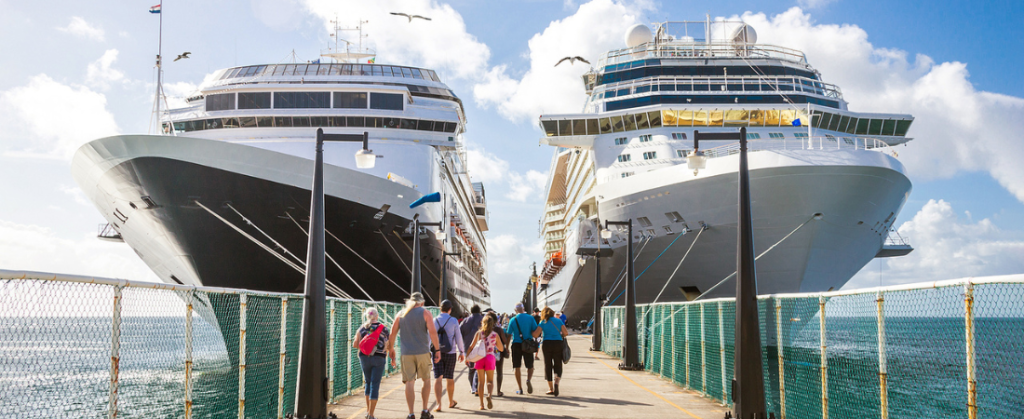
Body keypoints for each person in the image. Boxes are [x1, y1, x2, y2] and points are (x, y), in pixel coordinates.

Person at [386, 292, 442, 419]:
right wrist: (437, 350)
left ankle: (411, 413)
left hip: (406, 353)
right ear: (421, 302)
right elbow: (433, 333)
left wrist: (391, 349)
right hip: (423, 352)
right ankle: (424, 410)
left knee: (409, 383)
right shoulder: (425, 313)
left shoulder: (401, 314)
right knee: (426, 380)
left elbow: (393, 333)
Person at [352, 307, 394, 419]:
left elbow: (355, 344)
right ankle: (371, 414)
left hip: (364, 358)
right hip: (379, 358)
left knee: (368, 382)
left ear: (367, 316)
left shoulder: (362, 328)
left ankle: (367, 411)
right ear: (377, 316)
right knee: (375, 384)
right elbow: (389, 345)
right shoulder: (383, 328)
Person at [432, 300, 465, 412]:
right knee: (450, 377)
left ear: (440, 308)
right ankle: (450, 402)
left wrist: (427, 351)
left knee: (438, 378)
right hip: (451, 352)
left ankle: (438, 404)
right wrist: (461, 351)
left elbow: (429, 337)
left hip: (437, 352)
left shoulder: (434, 320)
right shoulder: (454, 321)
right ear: (450, 309)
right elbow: (458, 337)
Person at [468, 314, 505, 410]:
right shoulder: (495, 335)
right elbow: (501, 349)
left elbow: (471, 346)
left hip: (480, 358)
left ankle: (481, 404)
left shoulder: (479, 333)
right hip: (490, 357)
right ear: (493, 324)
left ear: (482, 323)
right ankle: (489, 395)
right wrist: (495, 345)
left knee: (481, 382)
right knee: (490, 381)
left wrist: (467, 357)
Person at [532, 306, 568, 396]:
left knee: (548, 364)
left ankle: (551, 388)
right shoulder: (558, 321)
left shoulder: (543, 322)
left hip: (547, 344)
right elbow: (566, 333)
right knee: (558, 363)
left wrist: (530, 332)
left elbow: (536, 335)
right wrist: (560, 336)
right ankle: (557, 382)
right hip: (558, 343)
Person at [504, 302, 538, 395]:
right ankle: (528, 379)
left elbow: (509, 335)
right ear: (523, 309)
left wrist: (506, 347)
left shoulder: (513, 320)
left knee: (516, 366)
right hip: (527, 344)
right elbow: (535, 331)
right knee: (530, 366)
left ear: (515, 310)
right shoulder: (530, 318)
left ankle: (520, 388)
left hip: (516, 344)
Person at [459, 305, 484, 395]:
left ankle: (472, 387)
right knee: (479, 368)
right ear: (479, 310)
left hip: (468, 348)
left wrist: (461, 348)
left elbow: (459, 334)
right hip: (481, 348)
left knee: (471, 369)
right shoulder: (483, 319)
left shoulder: (465, 321)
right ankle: (476, 387)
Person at [486, 311, 510, 396]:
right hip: (498, 353)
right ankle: (498, 391)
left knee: (488, 373)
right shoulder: (499, 330)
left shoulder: (484, 329)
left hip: (487, 353)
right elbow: (504, 340)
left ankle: (489, 392)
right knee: (499, 372)